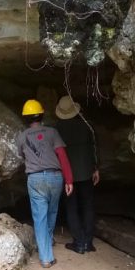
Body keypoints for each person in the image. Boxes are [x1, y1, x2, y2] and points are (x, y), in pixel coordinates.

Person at [15, 99, 73, 268]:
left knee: (40, 217)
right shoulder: (52, 132)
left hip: (36, 178)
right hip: (55, 177)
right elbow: (62, 156)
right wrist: (69, 180)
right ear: (41, 115)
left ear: (26, 119)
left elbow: (22, 155)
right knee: (52, 211)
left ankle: (46, 257)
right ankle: (48, 241)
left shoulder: (21, 136)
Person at [55, 95, 100, 254]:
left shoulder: (57, 129)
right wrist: (95, 168)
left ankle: (79, 243)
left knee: (71, 207)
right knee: (88, 206)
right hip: (87, 171)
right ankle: (88, 242)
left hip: (68, 176)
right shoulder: (87, 125)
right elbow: (94, 147)